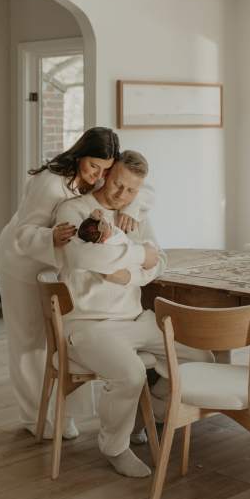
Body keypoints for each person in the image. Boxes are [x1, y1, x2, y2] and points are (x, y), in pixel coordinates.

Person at [55, 150, 214, 478]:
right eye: (117, 185)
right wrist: (140, 254)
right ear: (105, 175)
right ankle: (114, 446)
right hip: (87, 324)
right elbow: (86, 259)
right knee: (129, 374)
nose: (121, 195)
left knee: (201, 357)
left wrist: (131, 275)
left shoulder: (134, 215)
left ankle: (149, 414)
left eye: (130, 190)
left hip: (132, 319)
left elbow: (161, 262)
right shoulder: (72, 210)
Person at [0, 128, 158, 440]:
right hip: (23, 258)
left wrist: (130, 209)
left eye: (105, 169)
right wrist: (49, 237)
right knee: (30, 341)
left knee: (62, 335)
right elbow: (23, 232)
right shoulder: (49, 183)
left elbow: (144, 189)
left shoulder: (101, 176)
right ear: (81, 154)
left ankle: (67, 413)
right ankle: (36, 418)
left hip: (60, 259)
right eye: (94, 166)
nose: (99, 174)